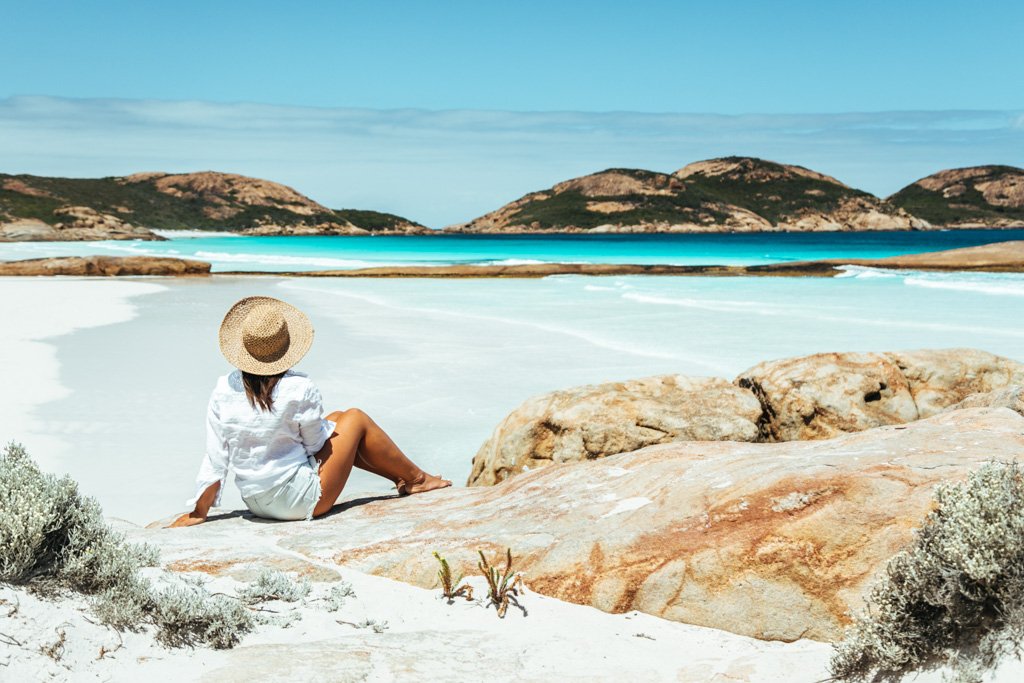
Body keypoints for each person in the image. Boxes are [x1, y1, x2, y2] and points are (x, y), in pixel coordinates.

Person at [170, 296, 450, 527]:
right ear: (285, 346)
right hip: (299, 502)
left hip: (254, 500)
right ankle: (416, 479)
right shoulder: (298, 388)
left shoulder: (223, 388)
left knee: (338, 418)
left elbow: (216, 456)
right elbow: (315, 444)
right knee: (355, 418)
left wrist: (200, 511)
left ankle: (403, 479)